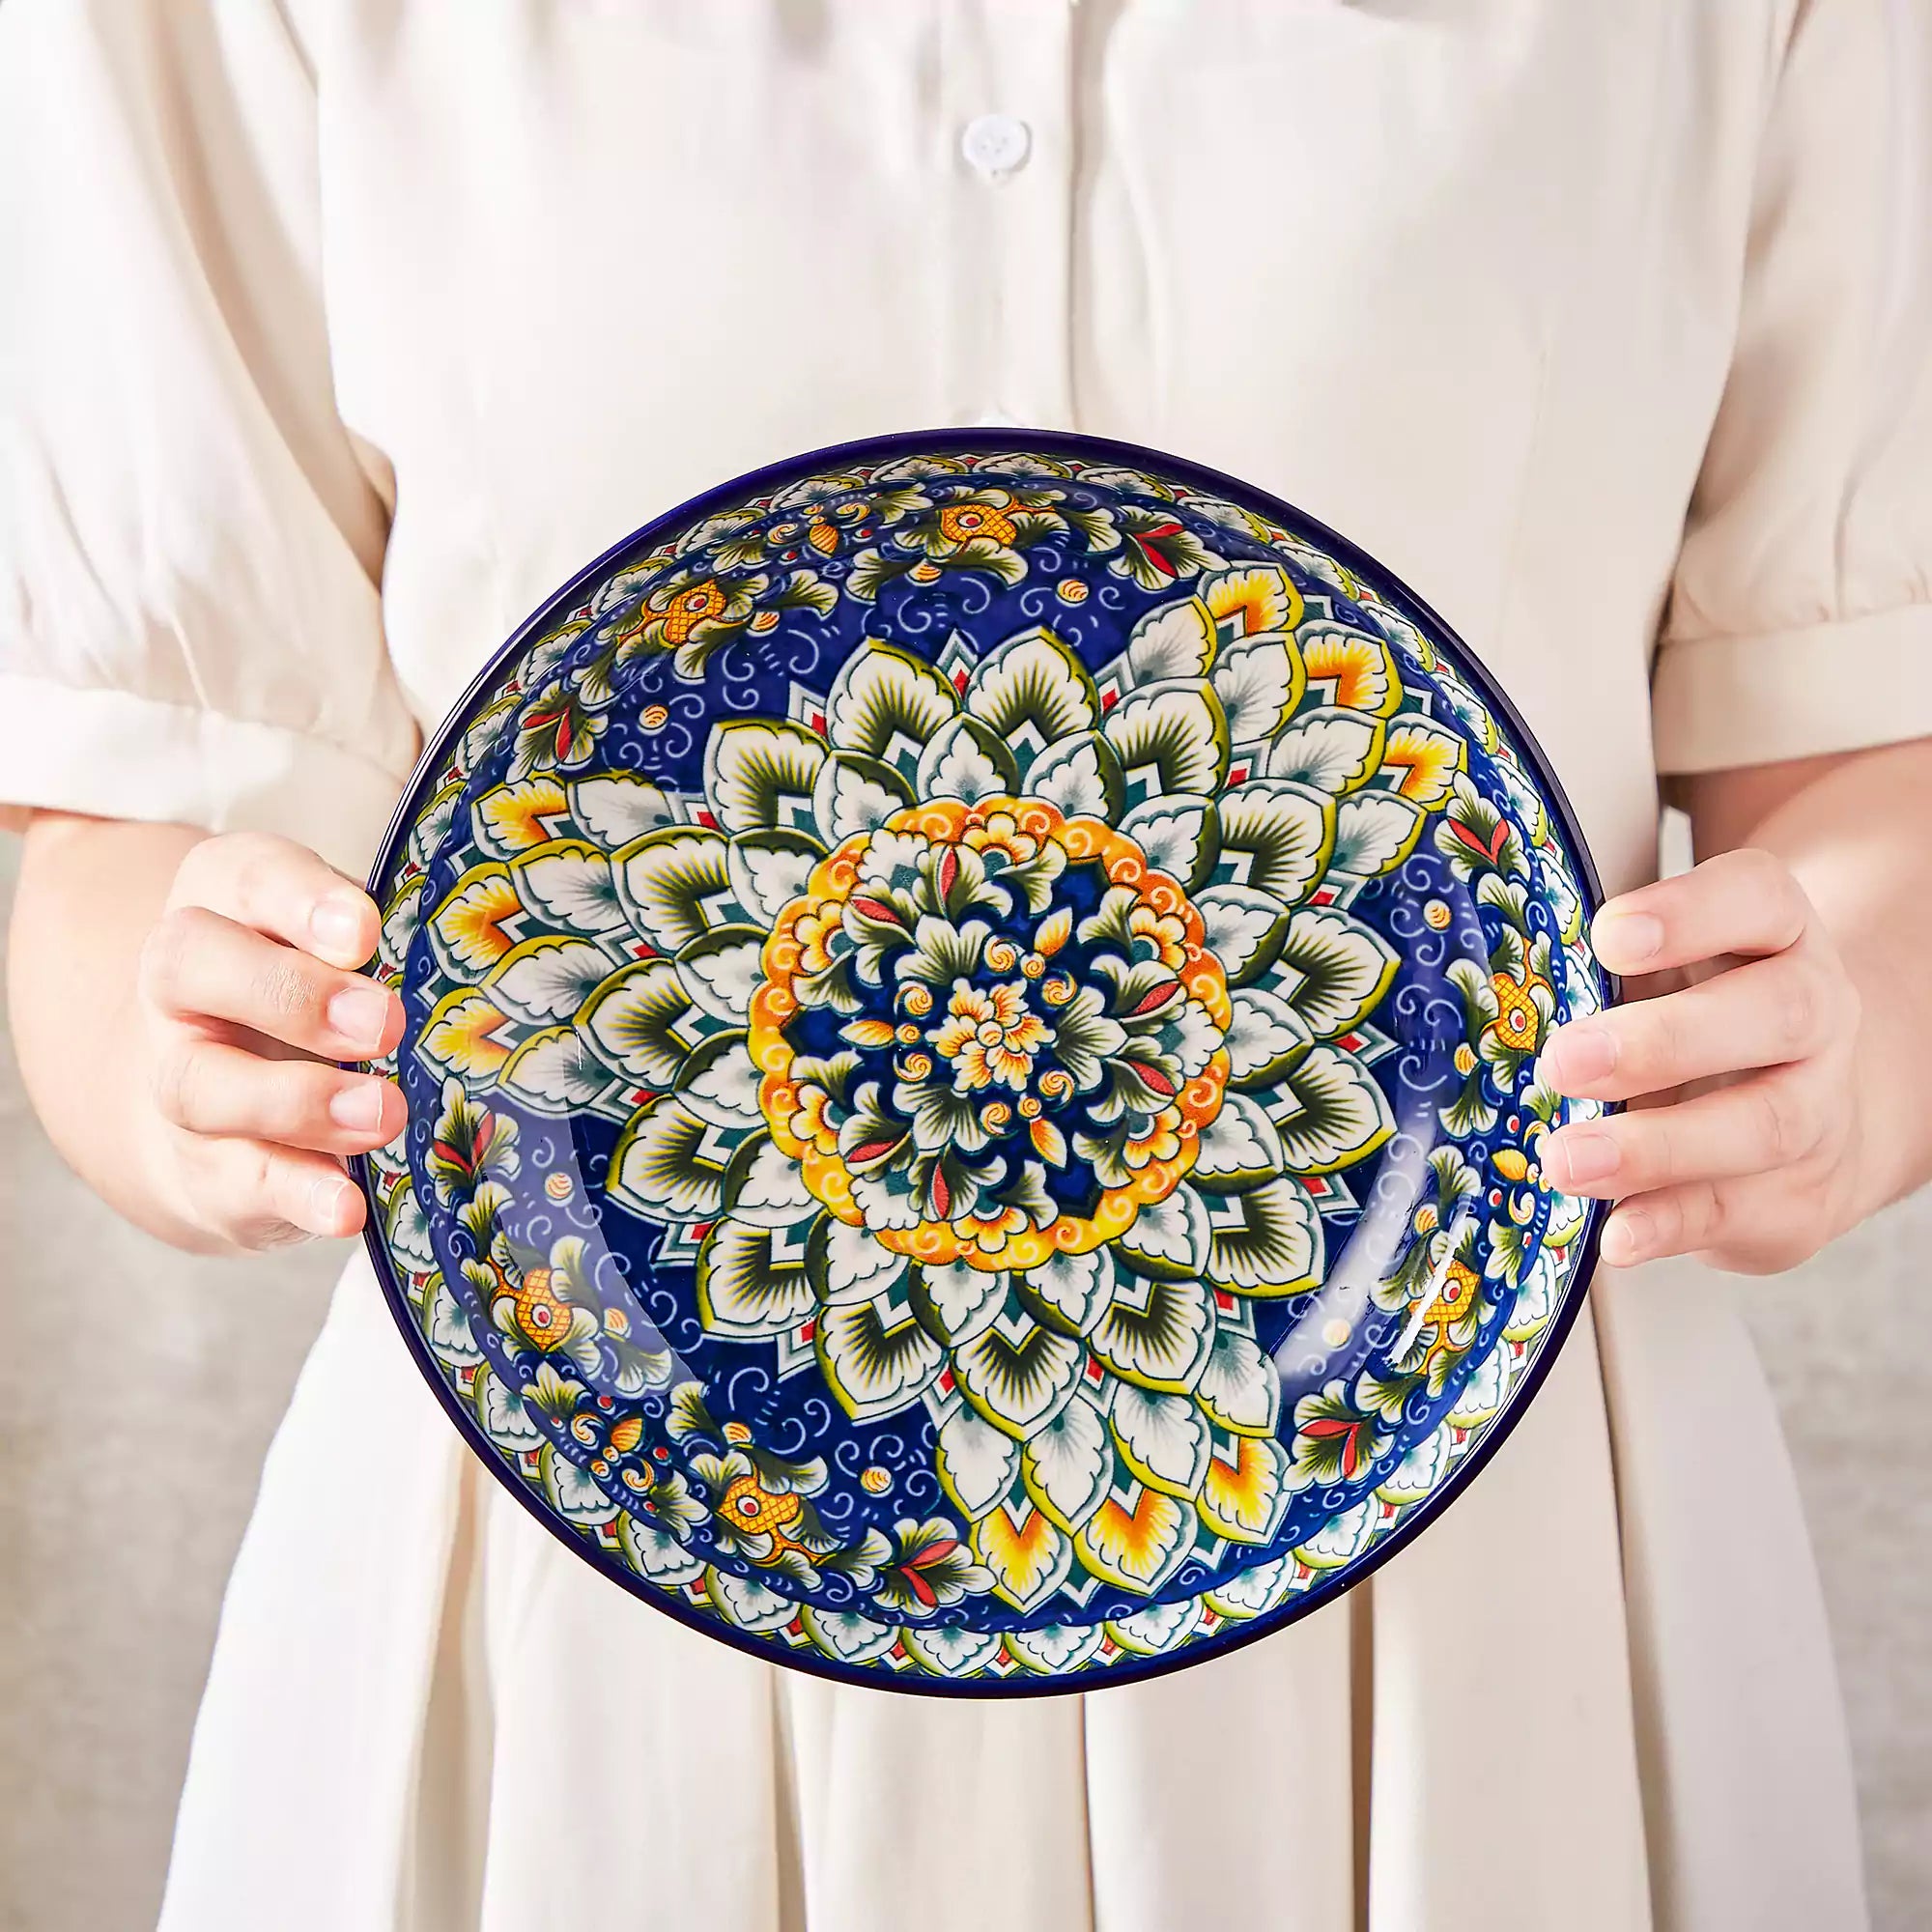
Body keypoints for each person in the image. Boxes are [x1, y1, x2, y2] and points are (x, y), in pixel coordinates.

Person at [2, 4, 1925, 1928]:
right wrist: (164, 1044)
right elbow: (128, 790)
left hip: (1469, 1529)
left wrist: (1848, 1044)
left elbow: (1861, 734)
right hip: (587, 1542)